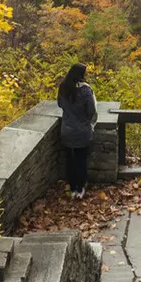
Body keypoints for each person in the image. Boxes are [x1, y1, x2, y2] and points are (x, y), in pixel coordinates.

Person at [56, 62, 97, 197]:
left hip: (67, 130)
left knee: (70, 159)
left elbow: (60, 104)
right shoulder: (85, 90)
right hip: (82, 131)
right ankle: (80, 188)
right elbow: (91, 111)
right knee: (81, 159)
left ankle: (72, 187)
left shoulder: (63, 87)